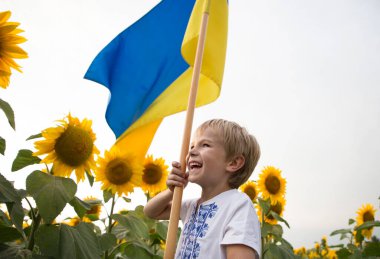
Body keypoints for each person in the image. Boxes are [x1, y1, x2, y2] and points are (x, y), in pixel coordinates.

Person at [144, 119, 261, 258]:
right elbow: (151, 211)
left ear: (233, 163)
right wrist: (171, 191)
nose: (192, 151)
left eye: (205, 145)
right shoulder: (190, 206)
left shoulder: (238, 205)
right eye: (192, 146)